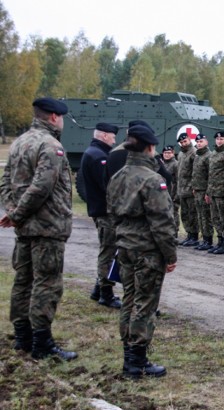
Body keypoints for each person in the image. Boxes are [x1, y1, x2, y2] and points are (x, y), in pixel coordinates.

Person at [0, 97, 77, 360]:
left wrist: (13, 213)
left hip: (25, 228)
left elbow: (5, 183)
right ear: (54, 117)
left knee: (23, 282)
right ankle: (42, 343)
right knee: (47, 284)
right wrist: (18, 214)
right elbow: (41, 187)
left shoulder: (19, 142)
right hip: (47, 227)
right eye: (62, 117)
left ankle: (23, 338)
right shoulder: (51, 145)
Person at [107, 125, 177, 378]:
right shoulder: (151, 179)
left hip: (125, 246)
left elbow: (112, 213)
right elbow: (162, 223)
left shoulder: (118, 175)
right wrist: (170, 255)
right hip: (147, 250)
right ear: (149, 148)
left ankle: (130, 356)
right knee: (144, 304)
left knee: (129, 299)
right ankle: (136, 362)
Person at [79, 122, 123, 309]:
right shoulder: (99, 157)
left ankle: (98, 289)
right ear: (104, 136)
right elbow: (107, 187)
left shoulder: (93, 152)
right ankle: (106, 293)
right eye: (112, 136)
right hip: (106, 212)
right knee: (108, 252)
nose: (114, 140)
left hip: (101, 211)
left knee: (108, 250)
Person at [206, 131, 224, 254]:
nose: (219, 141)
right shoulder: (213, 154)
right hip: (213, 191)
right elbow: (211, 175)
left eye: (222, 138)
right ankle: (219, 240)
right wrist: (208, 192)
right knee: (215, 218)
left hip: (222, 192)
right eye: (217, 138)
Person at [176, 133, 200, 247]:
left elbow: (196, 172)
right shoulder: (181, 153)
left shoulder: (194, 153)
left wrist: (194, 186)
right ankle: (189, 234)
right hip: (182, 188)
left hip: (190, 189)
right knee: (184, 213)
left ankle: (194, 236)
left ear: (189, 140)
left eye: (185, 141)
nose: (183, 144)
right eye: (181, 142)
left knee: (192, 213)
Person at [191, 134, 213, 251]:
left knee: (206, 216)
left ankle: (208, 240)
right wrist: (194, 187)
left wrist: (208, 192)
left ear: (206, 142)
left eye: (201, 141)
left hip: (204, 190)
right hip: (198, 189)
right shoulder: (197, 155)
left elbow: (211, 176)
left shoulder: (208, 156)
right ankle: (204, 239)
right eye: (197, 142)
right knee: (200, 215)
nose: (199, 143)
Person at [162, 145, 180, 236]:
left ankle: (175, 232)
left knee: (173, 213)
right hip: (163, 193)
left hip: (172, 193)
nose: (167, 155)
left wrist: (176, 194)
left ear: (173, 153)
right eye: (165, 153)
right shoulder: (161, 164)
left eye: (169, 153)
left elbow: (178, 180)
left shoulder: (175, 164)